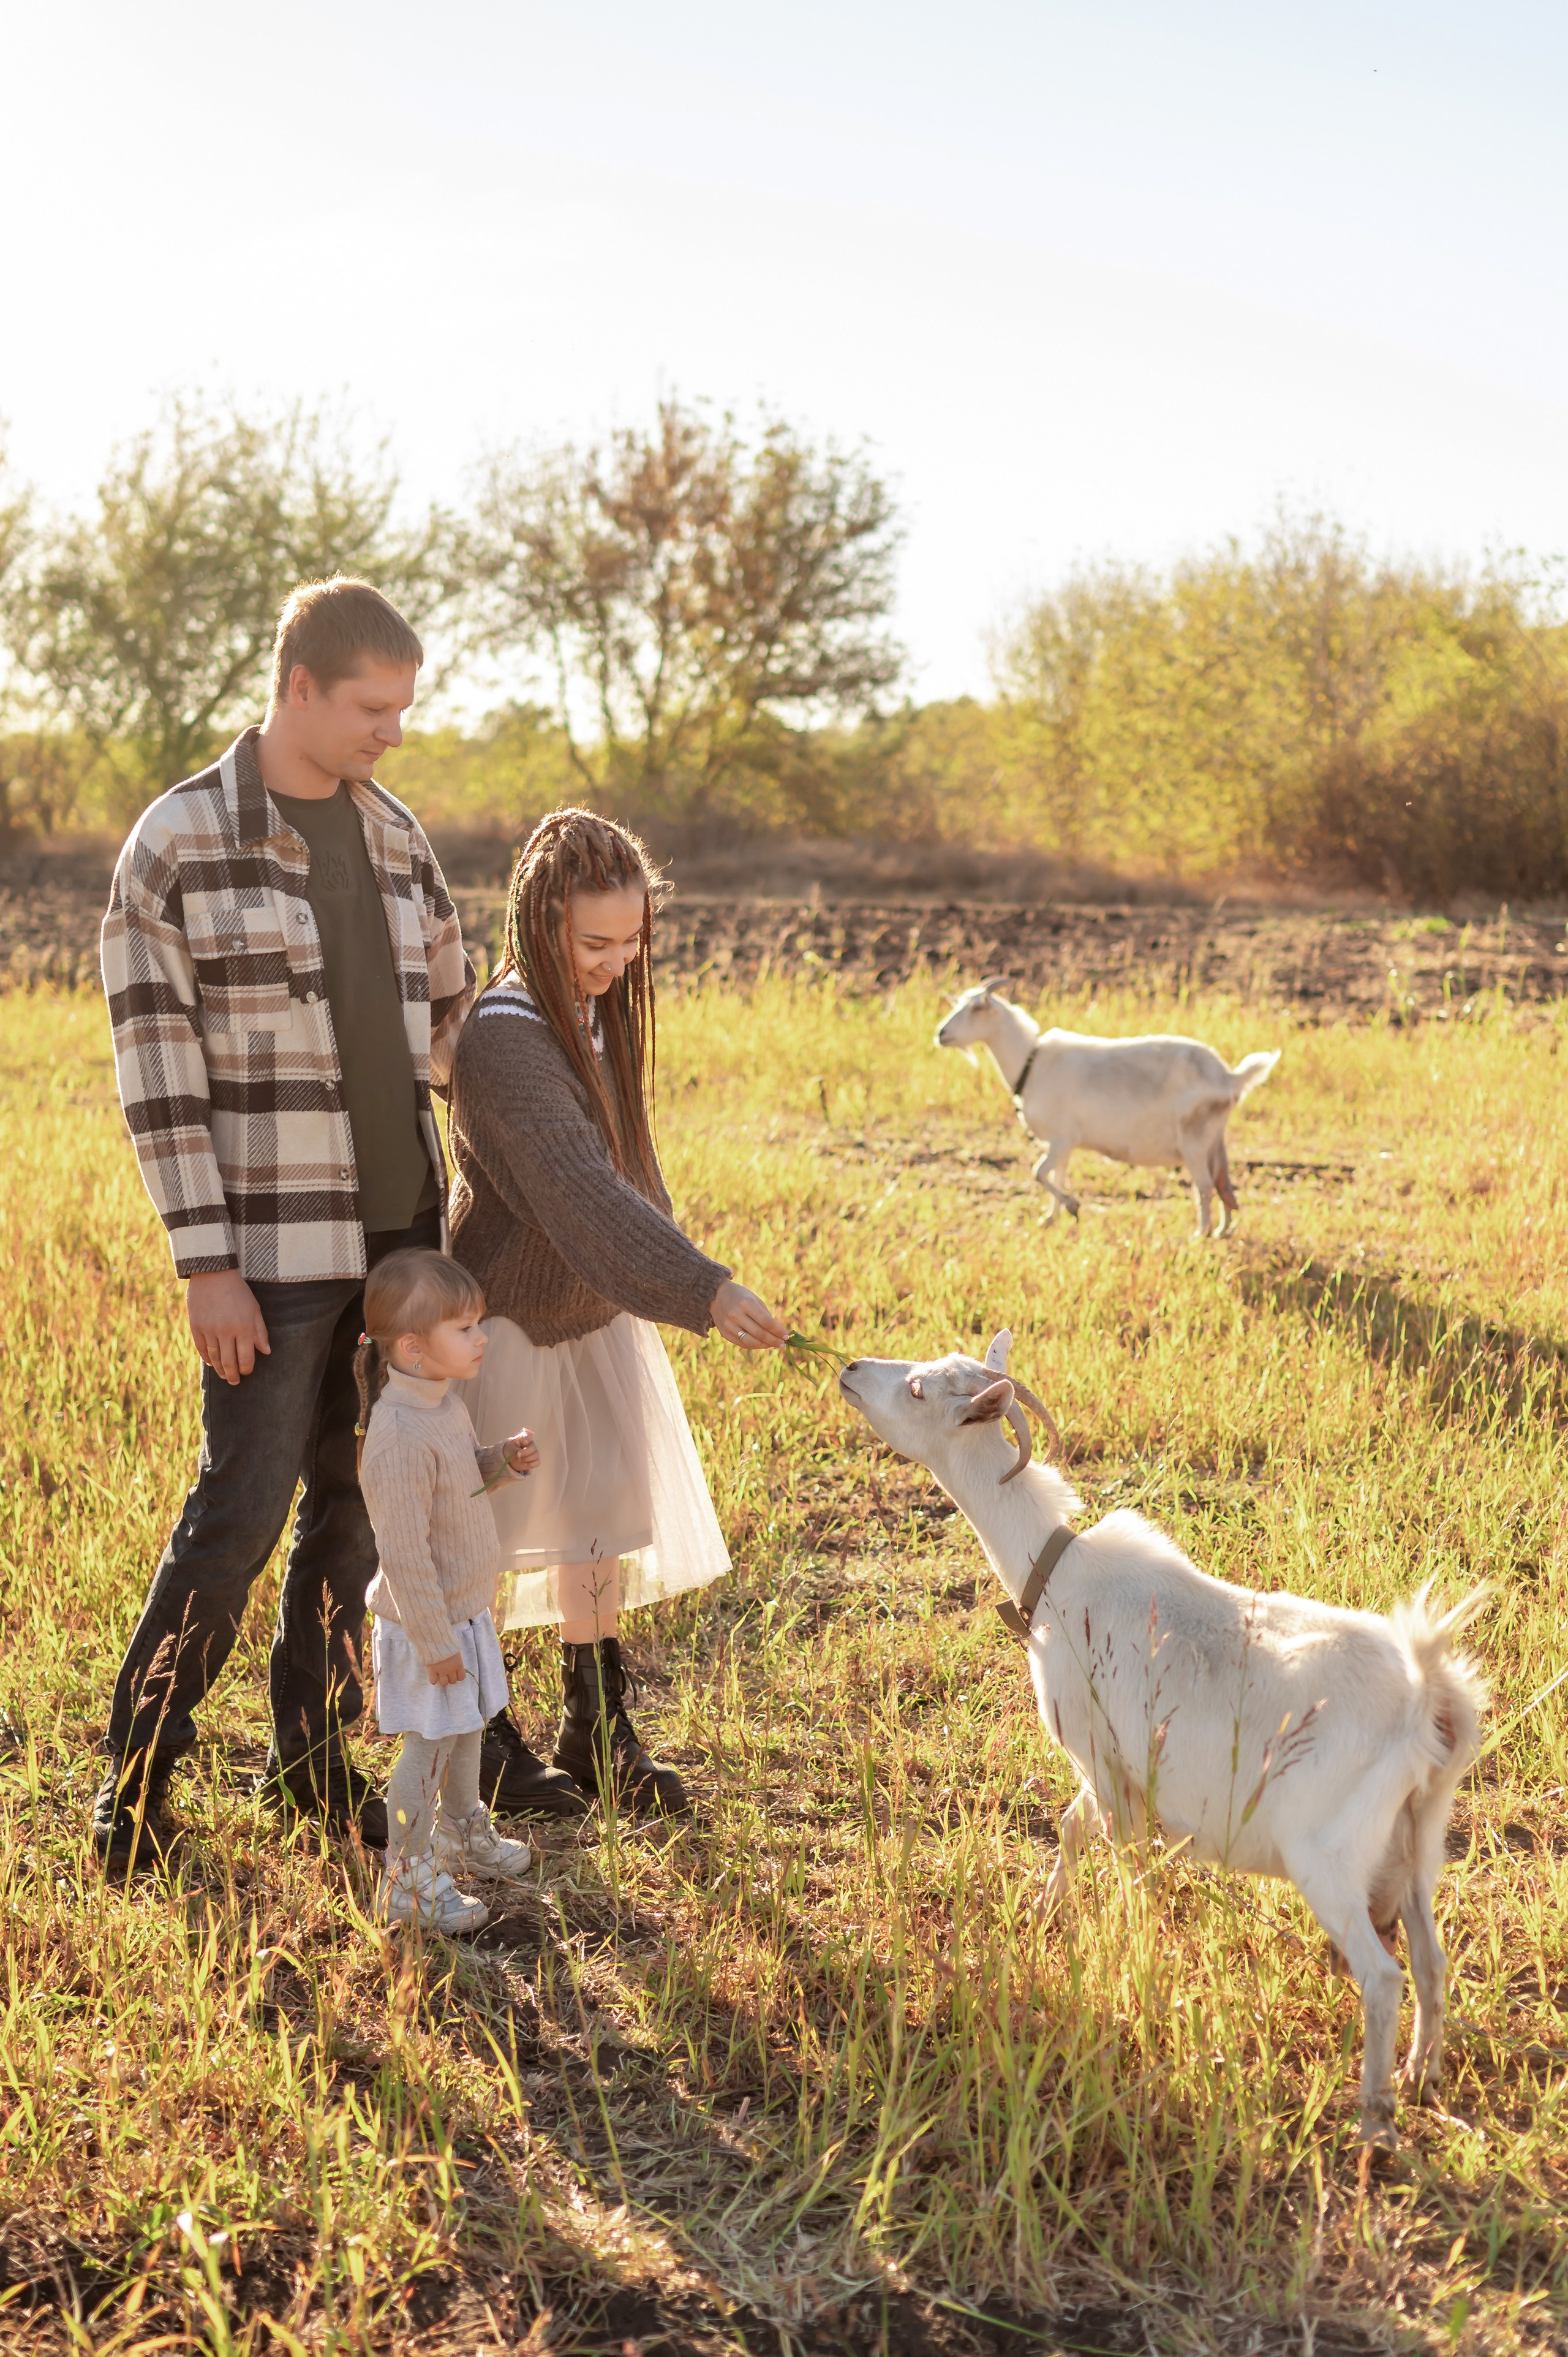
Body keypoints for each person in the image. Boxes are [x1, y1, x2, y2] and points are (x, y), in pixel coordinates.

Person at [92, 575, 480, 1871]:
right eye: (373, 707)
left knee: (361, 1511)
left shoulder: (396, 835)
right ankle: (134, 1783)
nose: (393, 732)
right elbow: (157, 1080)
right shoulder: (176, 844)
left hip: (401, 1243)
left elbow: (453, 1022)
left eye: (404, 708)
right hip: (269, 1255)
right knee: (240, 1515)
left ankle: (309, 1762)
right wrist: (205, 1264)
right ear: (298, 687)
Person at [448, 808, 789, 1818]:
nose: (615, 962)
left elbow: (629, 1166)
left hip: (595, 1306)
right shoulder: (505, 1037)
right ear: (541, 920)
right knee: (485, 1531)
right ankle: (480, 1732)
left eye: (631, 940)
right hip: (507, 1315)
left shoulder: (594, 1013)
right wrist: (701, 1286)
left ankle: (595, 1725)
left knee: (595, 1521)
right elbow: (579, 1190)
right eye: (595, 942)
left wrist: (665, 1258)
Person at [355, 1247, 539, 1934]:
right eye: (464, 1328)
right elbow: (404, 1554)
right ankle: (405, 1876)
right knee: (430, 1745)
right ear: (412, 1347)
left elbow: (458, 1482)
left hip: (461, 1612)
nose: (481, 1337)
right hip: (424, 1625)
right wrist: (434, 1643)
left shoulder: (443, 1408)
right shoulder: (399, 1436)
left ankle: (462, 1830)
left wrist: (501, 1462)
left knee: (466, 1729)